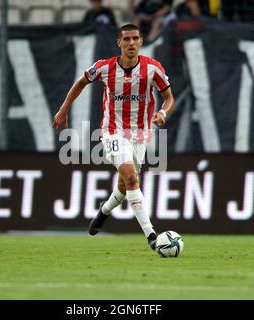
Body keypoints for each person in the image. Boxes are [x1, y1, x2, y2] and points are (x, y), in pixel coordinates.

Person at [53, 24, 175, 251]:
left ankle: (104, 211)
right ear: (119, 42)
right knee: (130, 178)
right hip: (112, 130)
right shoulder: (104, 67)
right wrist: (63, 110)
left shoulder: (153, 69)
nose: (131, 43)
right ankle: (151, 236)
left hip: (140, 133)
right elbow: (80, 82)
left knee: (124, 185)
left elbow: (169, 97)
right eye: (126, 39)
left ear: (141, 41)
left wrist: (163, 112)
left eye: (135, 38)